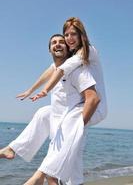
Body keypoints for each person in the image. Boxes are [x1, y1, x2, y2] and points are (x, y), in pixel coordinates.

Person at [0, 34, 100, 185]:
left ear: (68, 48)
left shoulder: (77, 69)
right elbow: (49, 73)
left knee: (61, 172)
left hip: (74, 120)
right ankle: (14, 149)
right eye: (54, 43)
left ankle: (38, 177)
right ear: (49, 50)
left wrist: (78, 125)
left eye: (61, 42)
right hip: (60, 118)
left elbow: (93, 98)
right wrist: (30, 90)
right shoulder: (56, 69)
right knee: (44, 113)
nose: (58, 44)